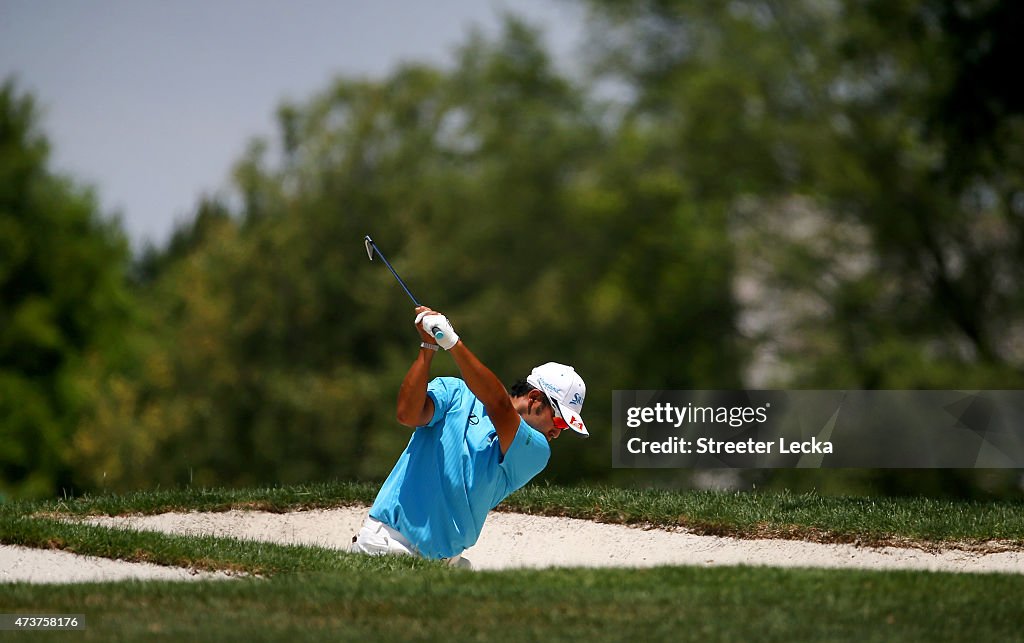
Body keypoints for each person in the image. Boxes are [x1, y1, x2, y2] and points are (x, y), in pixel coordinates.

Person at [350, 306, 588, 567]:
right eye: (558, 421)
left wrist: (452, 342)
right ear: (534, 399)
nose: (556, 432)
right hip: (389, 544)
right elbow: (407, 415)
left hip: (443, 563)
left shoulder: (537, 452)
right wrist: (428, 347)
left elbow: (498, 404)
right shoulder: (455, 393)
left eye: (564, 429)